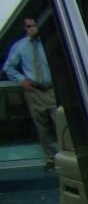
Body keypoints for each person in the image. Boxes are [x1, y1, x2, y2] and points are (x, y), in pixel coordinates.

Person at [4, 17, 57, 167]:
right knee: (42, 127)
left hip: (52, 89)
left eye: (34, 25)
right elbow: (9, 67)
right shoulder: (20, 47)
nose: (32, 29)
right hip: (34, 91)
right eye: (29, 26)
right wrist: (21, 80)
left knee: (60, 122)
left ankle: (67, 155)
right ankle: (50, 158)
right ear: (25, 28)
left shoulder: (49, 42)